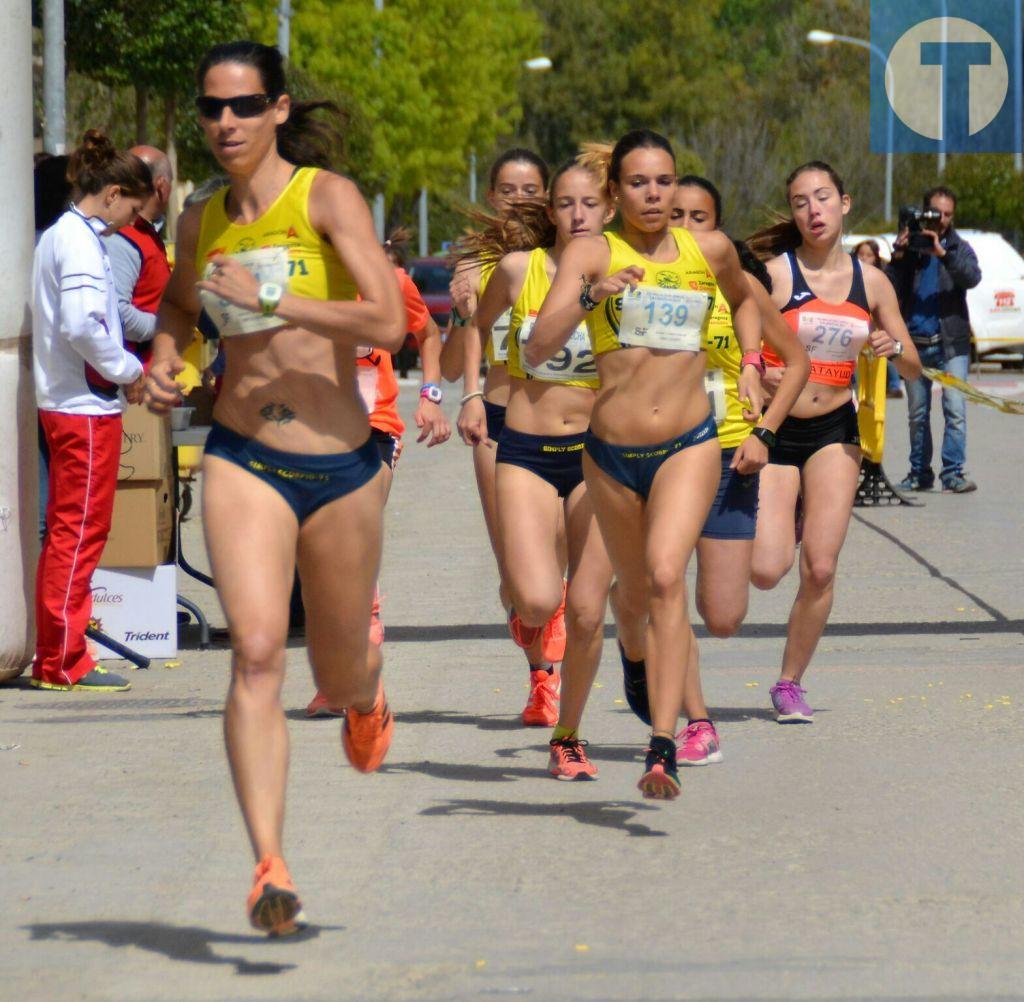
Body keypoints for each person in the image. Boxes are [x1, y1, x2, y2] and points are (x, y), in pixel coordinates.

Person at [143, 41, 405, 936]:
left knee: (334, 668)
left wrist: (274, 298)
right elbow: (181, 302)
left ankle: (368, 697)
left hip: (340, 468)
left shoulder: (325, 198)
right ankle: (269, 865)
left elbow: (390, 322)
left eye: (246, 106)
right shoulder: (199, 218)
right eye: (212, 108)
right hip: (244, 453)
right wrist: (167, 359)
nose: (226, 124)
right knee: (256, 653)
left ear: (280, 109)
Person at [525, 130, 765, 800]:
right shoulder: (590, 251)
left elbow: (746, 299)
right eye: (638, 183)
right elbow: (541, 347)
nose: (654, 194)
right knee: (629, 596)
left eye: (664, 181)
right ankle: (614, 683)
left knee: (665, 577)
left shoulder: (708, 249)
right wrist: (590, 295)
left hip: (689, 443)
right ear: (615, 192)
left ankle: (664, 746)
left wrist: (749, 364)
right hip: (609, 454)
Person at [748, 162, 921, 724]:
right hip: (778, 429)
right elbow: (734, 349)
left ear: (845, 203)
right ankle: (788, 516)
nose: (813, 210)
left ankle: (789, 682)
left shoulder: (871, 282)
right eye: (800, 202)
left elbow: (915, 366)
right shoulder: (775, 275)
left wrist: (891, 347)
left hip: (833, 434)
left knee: (820, 568)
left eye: (822, 198)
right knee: (767, 570)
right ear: (793, 212)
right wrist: (758, 374)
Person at [471, 156, 614, 777]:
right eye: (565, 204)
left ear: (608, 210)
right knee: (534, 599)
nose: (577, 215)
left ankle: (569, 734)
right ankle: (535, 623)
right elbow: (475, 329)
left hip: (597, 454)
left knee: (586, 611)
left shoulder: (632, 273)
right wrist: (472, 393)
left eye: (589, 204)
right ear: (549, 211)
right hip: (525, 450)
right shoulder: (516, 269)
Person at [661, 176, 809, 766]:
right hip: (660, 452)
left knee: (723, 617)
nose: (687, 227)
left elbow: (796, 364)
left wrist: (765, 433)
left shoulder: (741, 286)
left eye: (701, 217)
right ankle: (694, 720)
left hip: (729, 454)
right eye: (676, 215)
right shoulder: (634, 276)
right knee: (659, 585)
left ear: (719, 228)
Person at [305, 226, 450, 717]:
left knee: (353, 536)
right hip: (314, 430)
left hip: (374, 426)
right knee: (321, 553)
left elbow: (427, 335)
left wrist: (431, 397)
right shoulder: (300, 286)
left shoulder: (391, 284)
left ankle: (359, 649)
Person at [31, 131, 152, 692]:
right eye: (132, 208)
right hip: (82, 407)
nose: (132, 220)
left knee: (73, 531)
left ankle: (63, 652)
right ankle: (62, 659)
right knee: (78, 533)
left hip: (76, 403)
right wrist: (130, 370)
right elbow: (84, 325)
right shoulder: (78, 242)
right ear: (112, 194)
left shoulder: (70, 236)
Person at [447, 151, 571, 681]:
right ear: (491, 197)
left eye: (531, 189)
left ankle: (547, 653)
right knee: (515, 576)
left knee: (558, 564)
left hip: (566, 424)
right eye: (507, 189)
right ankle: (541, 673)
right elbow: (454, 366)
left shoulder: (565, 260)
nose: (520, 199)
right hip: (498, 426)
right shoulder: (474, 268)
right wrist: (460, 315)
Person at [886, 186, 981, 493]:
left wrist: (943, 253)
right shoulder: (910, 247)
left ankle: (952, 472)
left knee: (955, 409)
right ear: (925, 212)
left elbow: (972, 277)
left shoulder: (958, 246)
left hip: (950, 342)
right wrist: (899, 255)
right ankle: (919, 472)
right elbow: (888, 289)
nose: (941, 220)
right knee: (917, 414)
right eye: (936, 213)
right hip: (914, 342)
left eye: (948, 214)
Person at [103, 146, 174, 364]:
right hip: (133, 381)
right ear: (162, 186)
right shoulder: (122, 237)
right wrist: (167, 327)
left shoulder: (146, 232)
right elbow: (116, 313)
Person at [854, 239, 902, 398]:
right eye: (861, 254)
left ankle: (894, 385)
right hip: (856, 324)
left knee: (885, 354)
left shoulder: (881, 278)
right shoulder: (848, 275)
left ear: (876, 258)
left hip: (876, 325)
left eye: (868, 255)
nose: (864, 258)